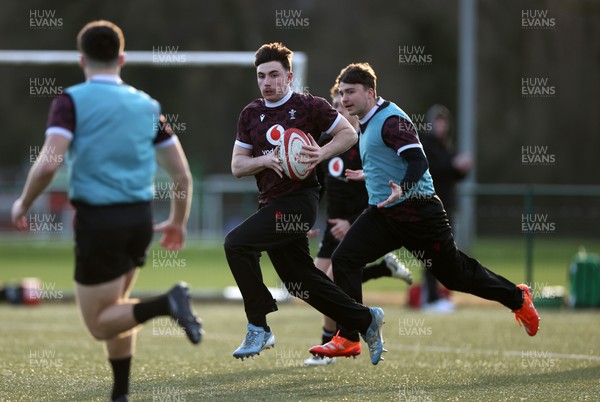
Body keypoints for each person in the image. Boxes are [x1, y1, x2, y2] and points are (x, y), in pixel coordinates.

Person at [10, 20, 201, 402]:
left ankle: (168, 302)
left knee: (99, 324)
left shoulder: (71, 101)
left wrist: (24, 202)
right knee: (118, 310)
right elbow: (181, 174)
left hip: (100, 222)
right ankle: (120, 394)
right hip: (139, 219)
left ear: (82, 60)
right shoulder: (148, 105)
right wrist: (177, 222)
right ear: (122, 58)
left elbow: (49, 163)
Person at [309, 63, 539, 359]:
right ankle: (350, 335)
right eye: (342, 93)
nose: (345, 99)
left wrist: (402, 188)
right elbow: (390, 158)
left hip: (419, 212)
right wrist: (372, 175)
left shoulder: (392, 120)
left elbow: (418, 161)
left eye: (351, 92)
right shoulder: (365, 122)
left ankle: (517, 297)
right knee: (344, 259)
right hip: (385, 213)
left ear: (371, 92)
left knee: (455, 276)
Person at [224, 43, 384, 365]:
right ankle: (365, 319)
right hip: (270, 204)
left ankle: (258, 324)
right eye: (261, 76)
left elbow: (348, 134)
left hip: (299, 202)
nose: (267, 82)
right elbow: (238, 167)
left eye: (273, 75)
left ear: (289, 76)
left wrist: (321, 153)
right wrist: (266, 160)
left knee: (236, 244)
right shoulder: (251, 114)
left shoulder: (309, 105)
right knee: (301, 282)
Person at [304, 84, 413, 366]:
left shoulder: (366, 142)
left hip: (359, 222)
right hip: (332, 227)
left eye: (341, 106)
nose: (337, 111)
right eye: (334, 107)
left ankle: (331, 343)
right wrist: (305, 219)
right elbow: (318, 187)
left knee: (332, 281)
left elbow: (378, 188)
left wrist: (352, 223)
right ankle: (382, 269)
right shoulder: (327, 143)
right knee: (314, 287)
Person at [419, 104, 472, 313]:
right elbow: (433, 169)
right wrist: (453, 165)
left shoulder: (445, 146)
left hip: (445, 206)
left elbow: (452, 174)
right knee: (433, 252)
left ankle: (433, 295)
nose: (441, 126)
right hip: (430, 206)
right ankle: (430, 298)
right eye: (437, 122)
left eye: (444, 122)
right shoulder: (426, 144)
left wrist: (462, 169)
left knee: (442, 253)